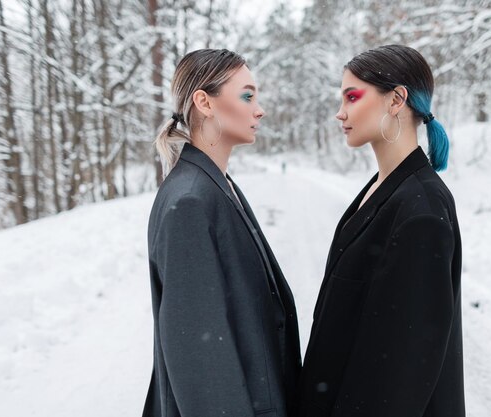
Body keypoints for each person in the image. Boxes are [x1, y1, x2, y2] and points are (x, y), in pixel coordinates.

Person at [298, 44, 465, 416]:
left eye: (352, 97)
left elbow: (400, 374)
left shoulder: (421, 209)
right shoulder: (385, 187)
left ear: (396, 99)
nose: (340, 113)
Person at [142, 48, 301, 417]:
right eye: (247, 95)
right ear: (204, 102)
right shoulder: (191, 202)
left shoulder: (215, 186)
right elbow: (199, 356)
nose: (258, 109)